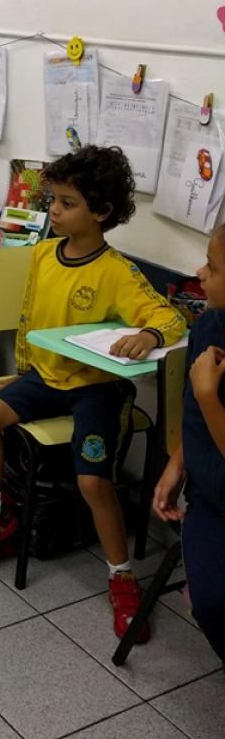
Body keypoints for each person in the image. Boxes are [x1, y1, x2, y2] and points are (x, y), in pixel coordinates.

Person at [0, 146, 186, 642]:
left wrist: (150, 334)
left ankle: (121, 576)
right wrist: (22, 373)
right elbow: (29, 320)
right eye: (53, 201)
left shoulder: (117, 271)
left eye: (67, 203)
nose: (55, 212)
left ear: (101, 212)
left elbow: (170, 318)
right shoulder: (44, 253)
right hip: (44, 377)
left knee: (92, 484)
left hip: (95, 391)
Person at [153, 225, 225, 665]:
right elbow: (195, 420)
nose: (199, 272)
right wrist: (176, 463)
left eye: (212, 267)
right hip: (209, 500)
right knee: (213, 601)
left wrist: (208, 394)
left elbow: (203, 404)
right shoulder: (211, 325)